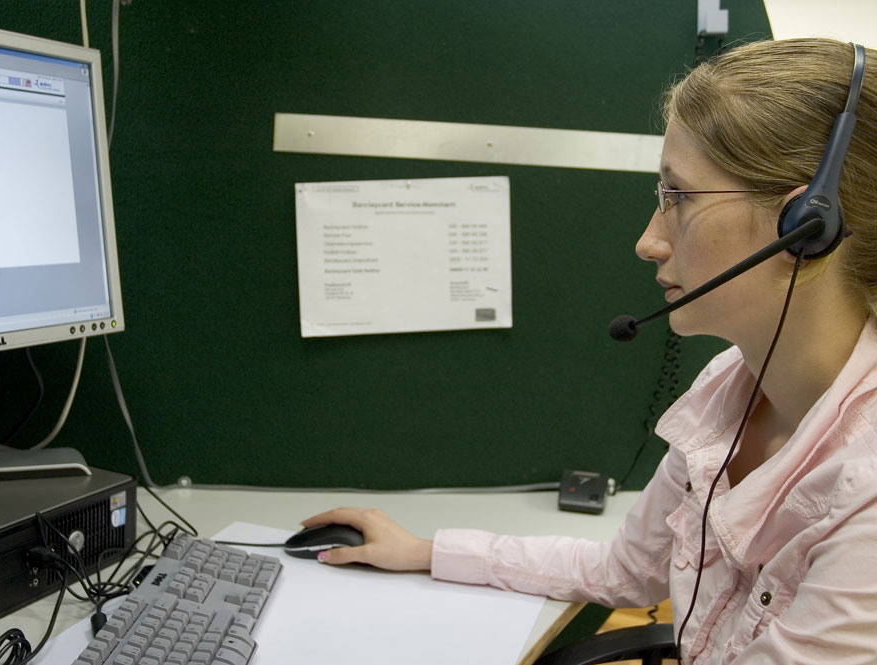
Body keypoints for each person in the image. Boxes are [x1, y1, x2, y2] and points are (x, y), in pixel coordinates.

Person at [301, 38, 877, 665]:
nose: (648, 242)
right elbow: (629, 569)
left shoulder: (865, 490)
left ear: (805, 228)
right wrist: (426, 551)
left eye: (678, 199)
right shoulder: (730, 386)